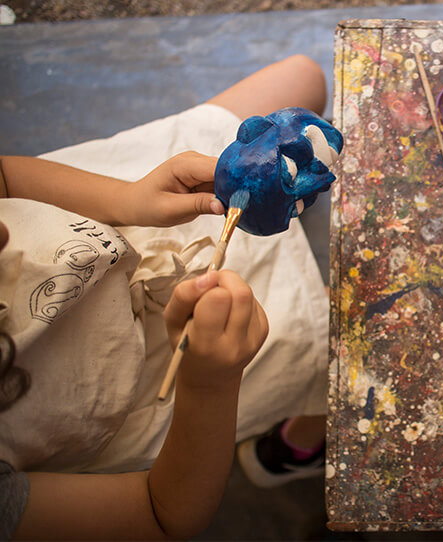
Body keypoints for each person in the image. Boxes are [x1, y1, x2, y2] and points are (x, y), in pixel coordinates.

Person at [0, 54, 330, 539]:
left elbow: (6, 180)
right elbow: (161, 516)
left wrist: (128, 201)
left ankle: (274, 200)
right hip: (144, 380)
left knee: (303, 79)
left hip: (99, 225)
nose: (5, 235)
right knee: (352, 339)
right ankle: (291, 449)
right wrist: (208, 383)